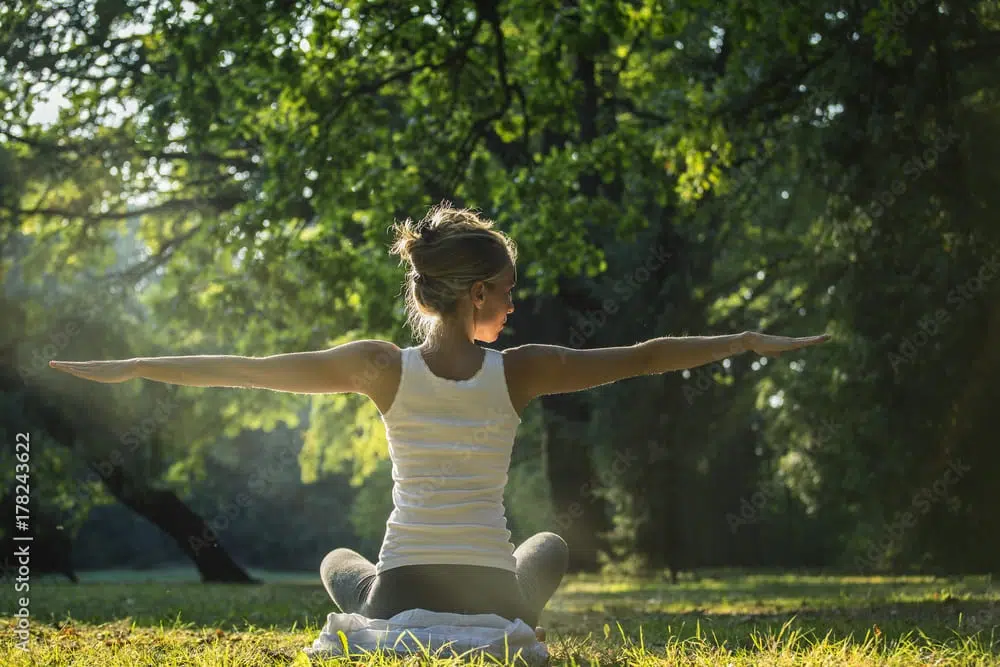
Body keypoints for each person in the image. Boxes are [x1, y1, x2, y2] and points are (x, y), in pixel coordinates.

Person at [49, 202, 830, 633]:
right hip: (495, 596)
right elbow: (647, 354)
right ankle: (507, 613)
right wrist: (744, 340)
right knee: (549, 545)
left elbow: (250, 369)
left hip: (397, 592)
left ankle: (396, 602)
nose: (514, 305)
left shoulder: (380, 365)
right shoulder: (522, 370)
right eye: (508, 291)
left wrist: (136, 364)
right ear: (476, 293)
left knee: (338, 560)